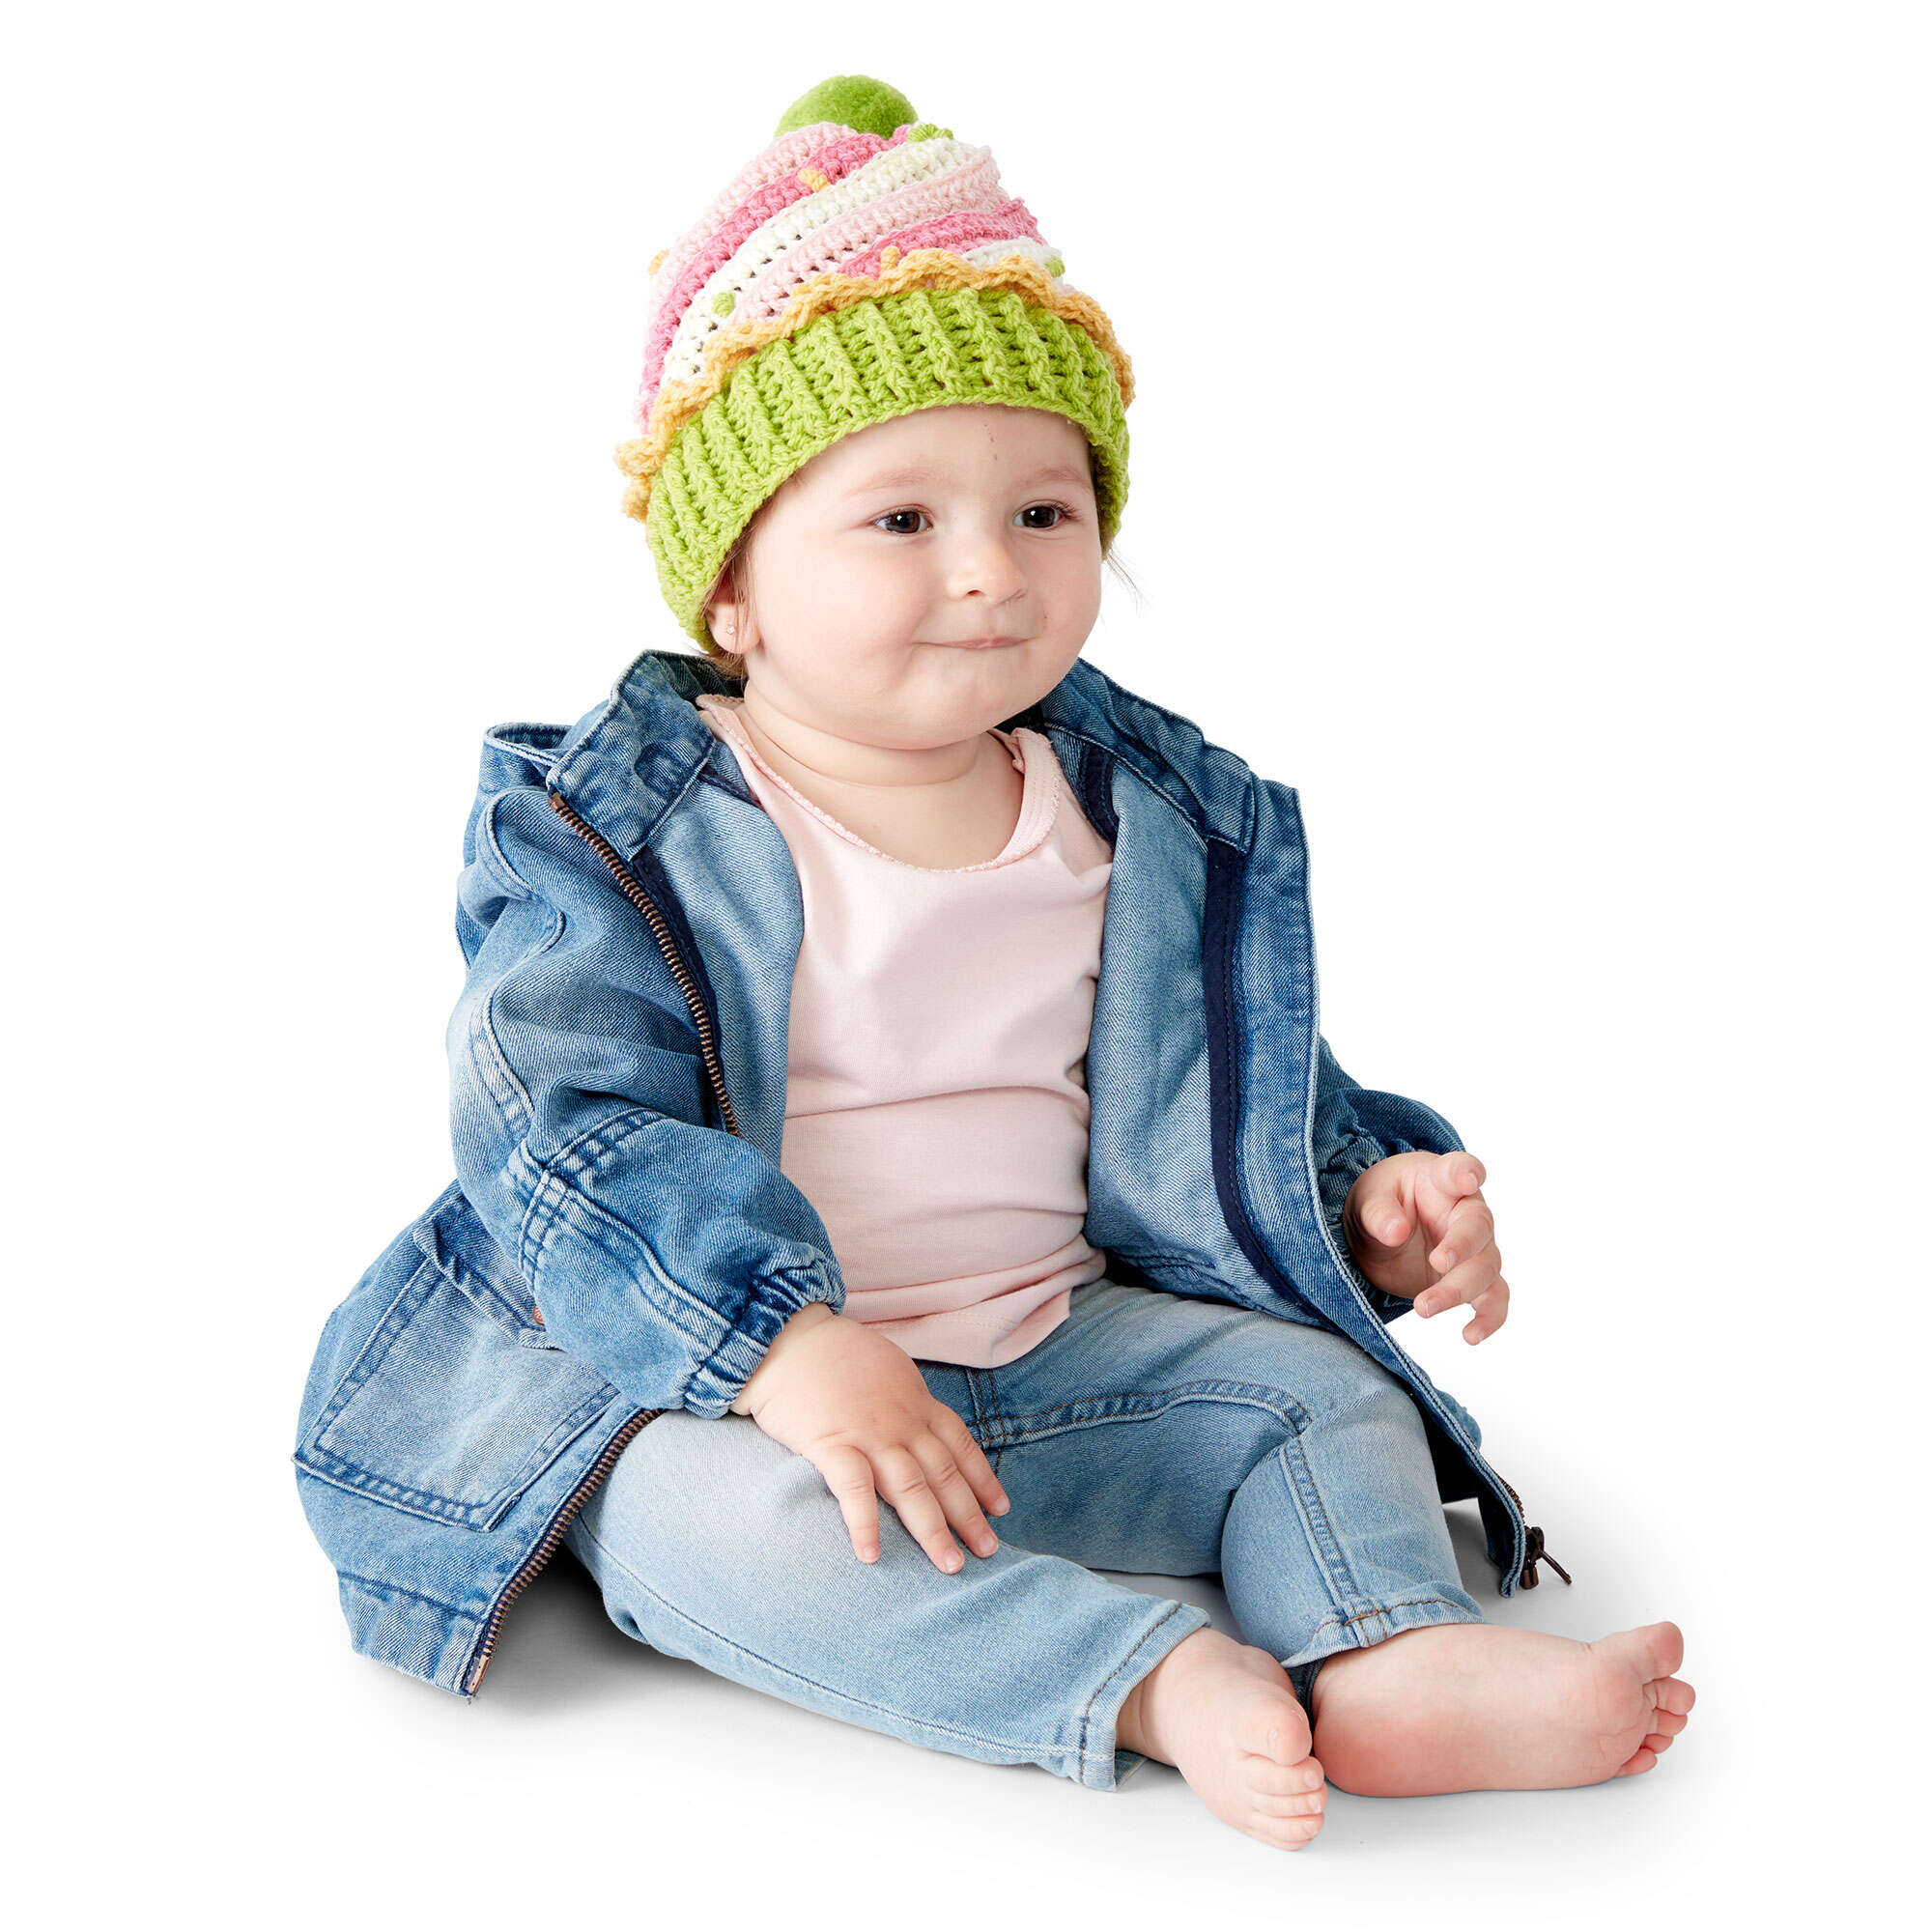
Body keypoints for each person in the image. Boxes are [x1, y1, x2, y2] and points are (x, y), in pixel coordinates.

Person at [292, 74, 1693, 1853]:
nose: (991, 574)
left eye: (1045, 513)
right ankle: (1141, 1678)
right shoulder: (622, 832)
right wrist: (783, 1348)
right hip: (738, 1390)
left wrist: (1364, 1202)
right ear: (733, 589)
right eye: (903, 522)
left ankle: (1385, 1648)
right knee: (682, 1531)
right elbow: (562, 1136)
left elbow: (1233, 1091)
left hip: (1055, 1350)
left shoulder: (1139, 813)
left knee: (1319, 1399)